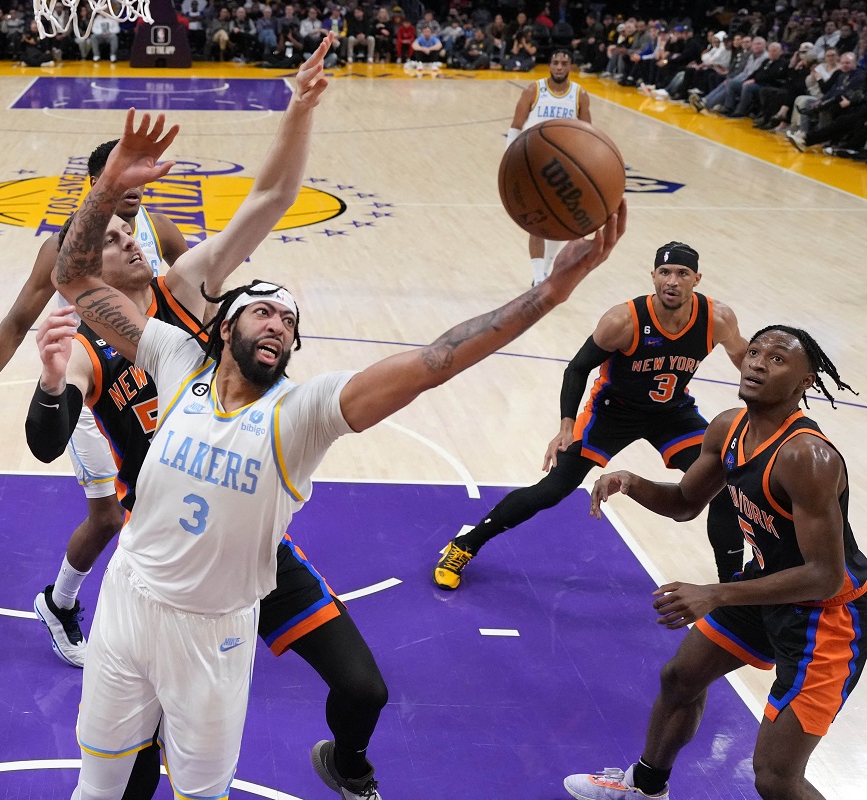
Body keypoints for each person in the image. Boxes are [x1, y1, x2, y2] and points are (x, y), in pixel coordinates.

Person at [51, 107, 626, 800]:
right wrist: (107, 188)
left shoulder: (305, 412)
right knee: (98, 788)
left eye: (289, 320)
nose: (279, 323)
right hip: (129, 603)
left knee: (204, 792)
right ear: (224, 325)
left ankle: (348, 764)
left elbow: (436, 361)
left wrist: (551, 292)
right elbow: (73, 277)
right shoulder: (173, 358)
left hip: (215, 629)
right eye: (264, 310)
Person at [30, 37, 391, 800]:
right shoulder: (94, 344)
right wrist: (46, 384)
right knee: (135, 770)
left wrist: (299, 108)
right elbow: (43, 436)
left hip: (245, 546)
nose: (134, 242)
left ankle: (349, 763)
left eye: (133, 232)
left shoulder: (187, 290)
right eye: (114, 238)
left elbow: (270, 198)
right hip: (163, 565)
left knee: (362, 688)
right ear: (94, 264)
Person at [565, 325, 865, 800]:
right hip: (768, 586)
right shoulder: (729, 427)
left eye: (777, 359)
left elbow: (825, 576)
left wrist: (715, 593)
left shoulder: (806, 457)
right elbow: (686, 502)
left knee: (774, 777)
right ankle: (645, 789)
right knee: (681, 677)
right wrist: (632, 483)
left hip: (826, 617)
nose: (757, 362)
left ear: (806, 381)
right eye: (755, 351)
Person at [0, 138, 188, 670]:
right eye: (123, 176)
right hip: (89, 387)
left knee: (168, 496)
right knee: (111, 516)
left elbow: (201, 293)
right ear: (98, 185)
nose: (134, 186)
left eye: (141, 174)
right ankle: (63, 604)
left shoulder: (159, 231)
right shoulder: (64, 246)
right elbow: (16, 323)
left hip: (154, 379)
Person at [434, 242, 748, 590]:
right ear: (653, 276)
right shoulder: (623, 320)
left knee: (725, 484)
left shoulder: (717, 319)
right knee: (553, 489)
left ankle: (731, 588)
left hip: (672, 413)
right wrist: (565, 426)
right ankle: (465, 545)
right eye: (665, 272)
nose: (672, 281)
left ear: (697, 279)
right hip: (612, 413)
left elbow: (743, 356)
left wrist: (773, 396)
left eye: (682, 273)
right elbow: (577, 368)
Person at [506, 47, 591, 286]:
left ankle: (545, 270)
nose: (559, 67)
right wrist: (509, 160)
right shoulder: (534, 90)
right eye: (556, 62)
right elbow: (516, 125)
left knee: (559, 223)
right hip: (533, 162)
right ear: (549, 65)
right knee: (537, 221)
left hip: (563, 167)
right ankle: (538, 277)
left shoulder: (580, 94)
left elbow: (588, 134)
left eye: (564, 63)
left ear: (571, 66)